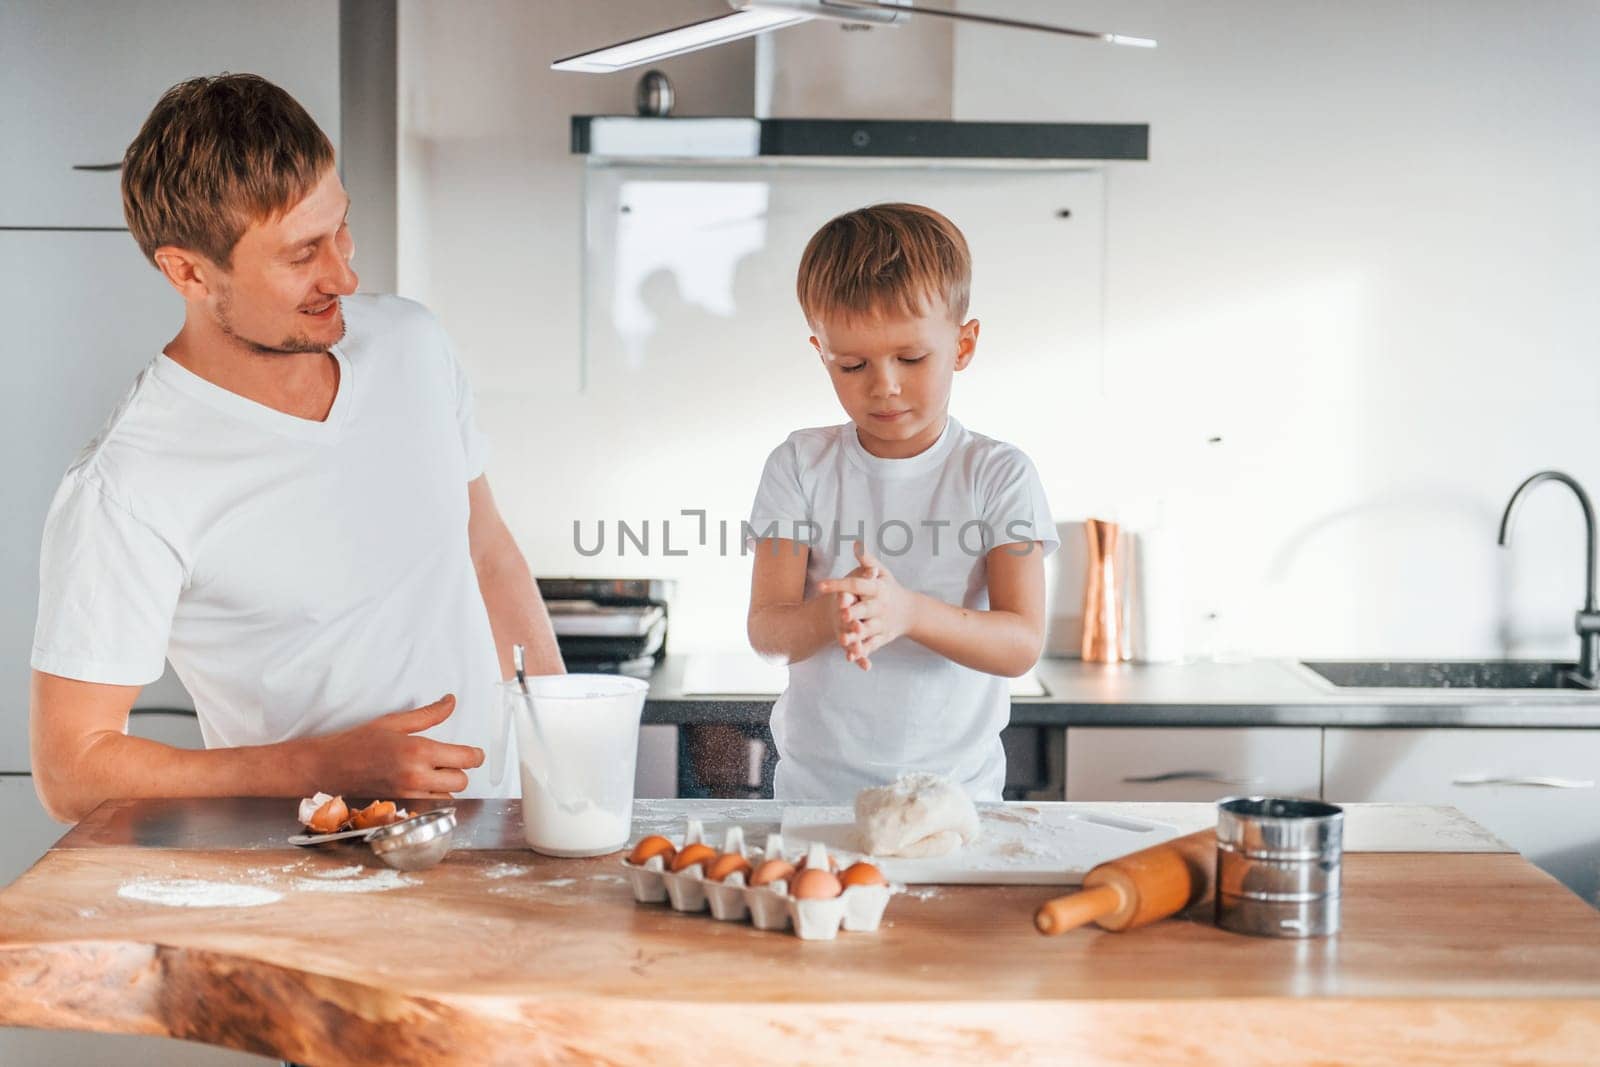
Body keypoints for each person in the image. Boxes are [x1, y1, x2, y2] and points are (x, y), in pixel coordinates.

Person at [29, 74, 562, 823]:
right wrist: (319, 766)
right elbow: (70, 767)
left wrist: (561, 749)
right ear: (187, 271)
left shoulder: (413, 344)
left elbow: (487, 552)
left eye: (340, 227)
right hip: (312, 873)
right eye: (301, 253)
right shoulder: (129, 483)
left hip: (502, 837)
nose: (345, 273)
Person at [745, 203, 1057, 802]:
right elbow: (767, 632)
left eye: (911, 358)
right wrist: (831, 618)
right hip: (814, 802)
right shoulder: (798, 465)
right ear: (821, 352)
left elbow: (1020, 645)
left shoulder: (997, 474)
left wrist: (907, 612)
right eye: (852, 364)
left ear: (963, 345)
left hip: (956, 802)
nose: (883, 385)